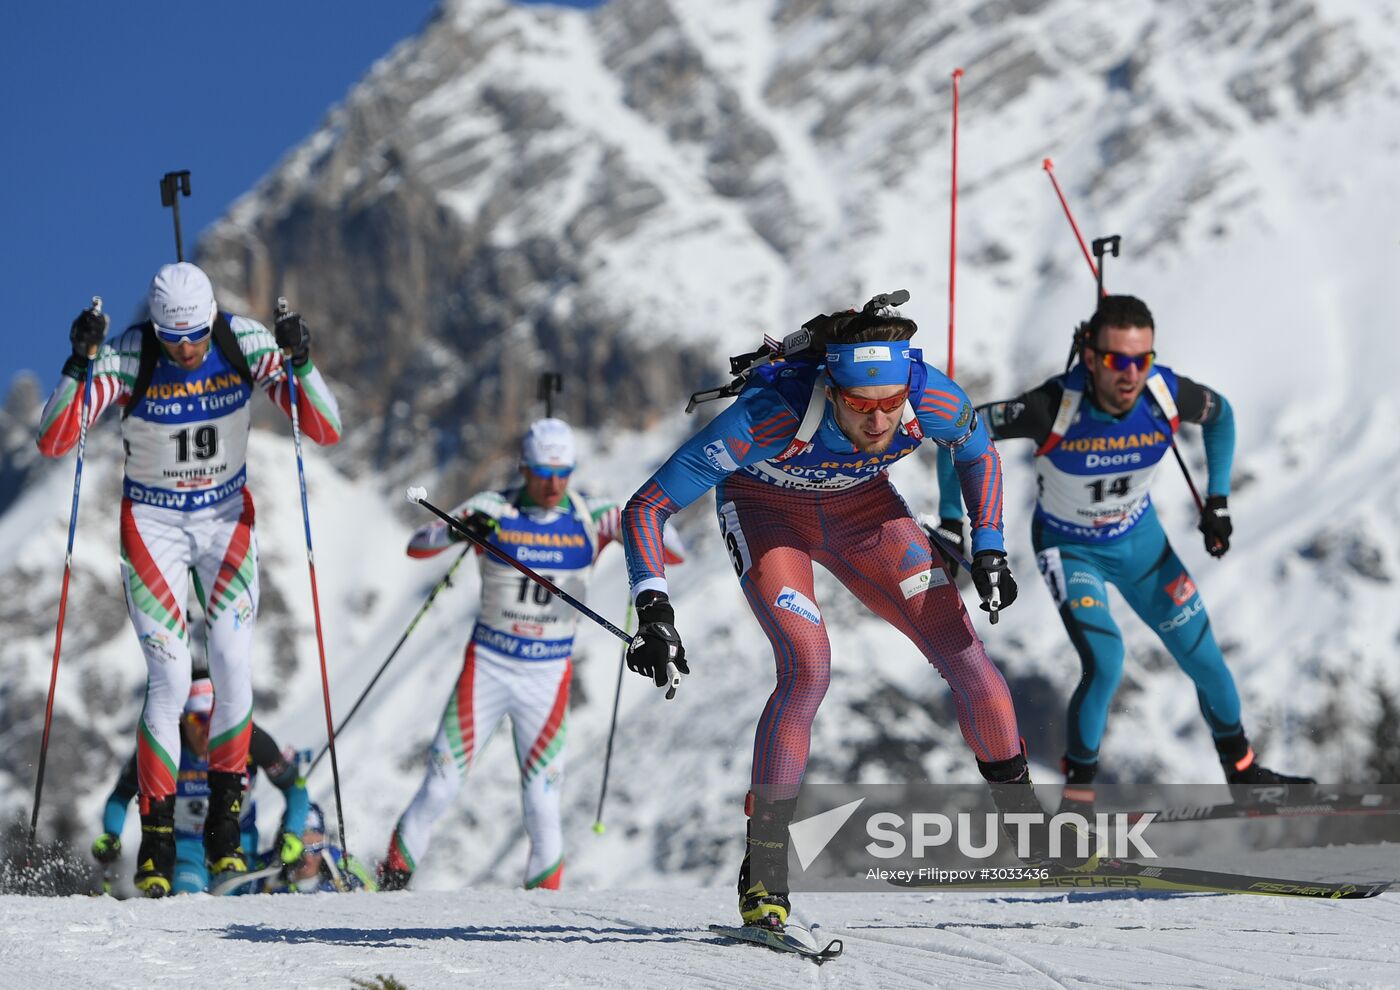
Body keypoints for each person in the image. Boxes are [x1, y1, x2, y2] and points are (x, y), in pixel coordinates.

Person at [620, 294, 1035, 932]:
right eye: (861, 406)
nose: (879, 422)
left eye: (892, 406)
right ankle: (764, 869)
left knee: (966, 655)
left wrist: (991, 549)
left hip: (865, 511)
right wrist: (653, 608)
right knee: (808, 667)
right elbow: (647, 507)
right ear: (831, 389)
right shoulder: (769, 416)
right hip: (765, 510)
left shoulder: (933, 396)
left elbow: (978, 453)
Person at [38, 261, 341, 895]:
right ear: (155, 327)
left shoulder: (242, 341)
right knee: (172, 676)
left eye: (196, 335)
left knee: (231, 662)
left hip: (223, 518)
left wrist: (301, 360)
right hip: (154, 525)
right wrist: (79, 361)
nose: (186, 349)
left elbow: (322, 426)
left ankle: (228, 837)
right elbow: (54, 439)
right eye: (174, 338)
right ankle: (157, 842)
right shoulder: (129, 356)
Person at [961, 294, 1311, 810]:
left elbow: (1222, 415)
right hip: (1069, 547)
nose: (1130, 374)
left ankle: (1243, 773)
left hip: (1140, 543)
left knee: (1206, 661)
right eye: (1116, 360)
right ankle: (1077, 804)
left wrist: (1217, 502)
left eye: (1141, 360)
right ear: (1089, 355)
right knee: (1106, 662)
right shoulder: (1053, 405)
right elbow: (961, 429)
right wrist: (956, 522)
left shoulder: (1164, 394)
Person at [378, 418, 683, 891]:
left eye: (563, 473)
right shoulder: (493, 507)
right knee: (440, 787)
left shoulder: (591, 514)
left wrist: (631, 528)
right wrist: (459, 531)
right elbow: (417, 545)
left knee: (542, 802)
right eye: (542, 472)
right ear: (523, 467)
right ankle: (390, 885)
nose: (552, 484)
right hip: (489, 668)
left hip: (547, 676)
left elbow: (672, 550)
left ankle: (541, 918)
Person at [90, 677, 313, 894]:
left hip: (238, 844)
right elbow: (121, 795)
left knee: (234, 904)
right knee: (188, 898)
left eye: (215, 718)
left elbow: (295, 790)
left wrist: (292, 832)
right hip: (187, 848)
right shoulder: (164, 746)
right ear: (183, 720)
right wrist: (111, 834)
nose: (207, 729)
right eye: (198, 720)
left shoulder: (250, 739)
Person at [240, 803, 377, 894]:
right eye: (298, 849)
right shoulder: (262, 870)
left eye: (315, 847)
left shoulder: (345, 865)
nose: (307, 858)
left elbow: (373, 898)